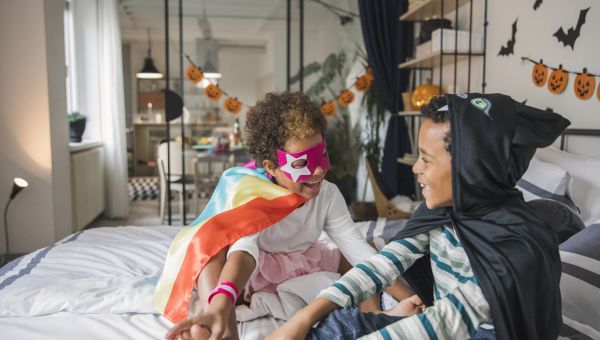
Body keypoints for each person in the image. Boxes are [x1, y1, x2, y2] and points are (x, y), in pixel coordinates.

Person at [267, 93, 570, 340]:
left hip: (470, 331)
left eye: (426, 159)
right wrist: (306, 317)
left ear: (471, 168)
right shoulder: (438, 213)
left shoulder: (515, 248)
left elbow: (445, 322)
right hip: (439, 323)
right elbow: (383, 265)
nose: (415, 169)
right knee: (332, 327)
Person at [156, 91, 414, 340]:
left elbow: (358, 251)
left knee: (368, 250)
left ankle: (375, 316)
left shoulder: (328, 194)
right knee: (213, 254)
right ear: (272, 167)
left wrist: (415, 300)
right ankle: (220, 319)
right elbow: (244, 252)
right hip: (251, 274)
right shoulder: (253, 194)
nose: (317, 171)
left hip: (298, 262)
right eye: (301, 164)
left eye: (322, 154)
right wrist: (224, 300)